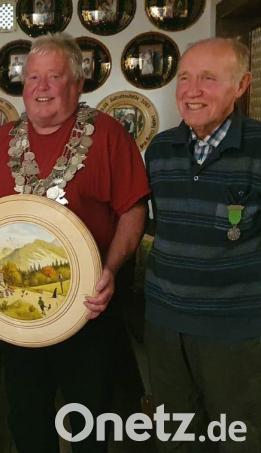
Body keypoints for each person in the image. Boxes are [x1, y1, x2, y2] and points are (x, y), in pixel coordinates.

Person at [0, 33, 149, 453]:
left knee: (90, 420)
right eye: (32, 77)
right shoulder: (1, 140)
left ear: (77, 84)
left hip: (89, 309)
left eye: (53, 77)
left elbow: (133, 211)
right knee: (25, 417)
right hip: (16, 318)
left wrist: (110, 270)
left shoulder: (110, 135)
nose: (40, 87)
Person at [144, 38, 260, 451]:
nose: (191, 91)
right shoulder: (159, 150)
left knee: (240, 439)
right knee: (176, 440)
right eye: (186, 78)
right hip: (164, 328)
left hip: (235, 334)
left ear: (241, 84)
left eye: (208, 79)